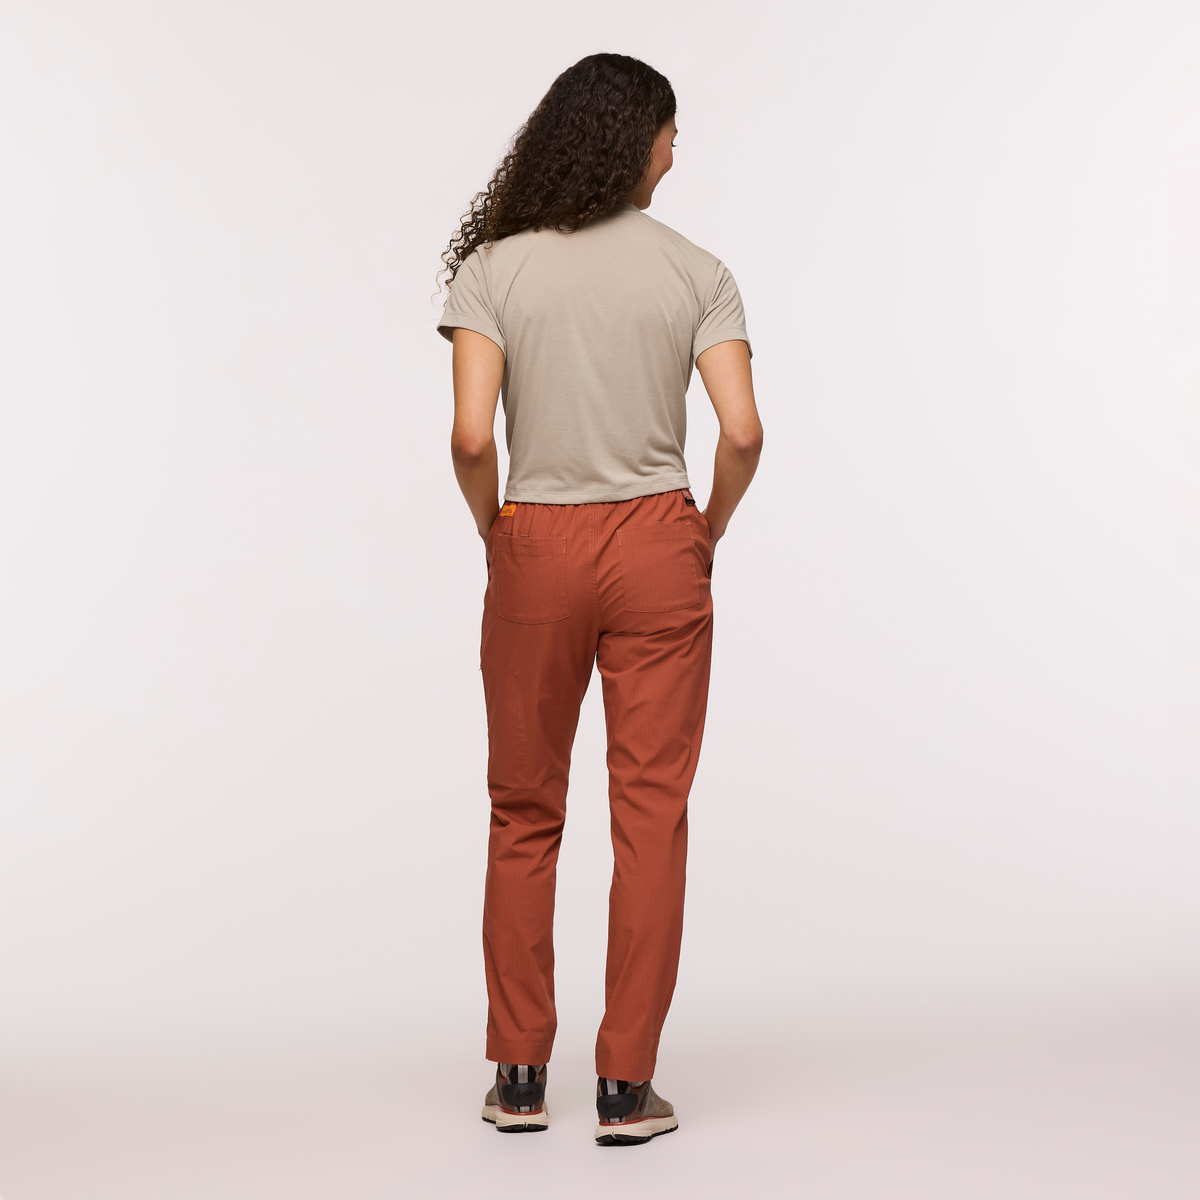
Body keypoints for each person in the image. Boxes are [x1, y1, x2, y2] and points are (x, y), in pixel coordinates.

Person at [437, 52, 762, 1146]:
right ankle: (626, 1087)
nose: (676, 154)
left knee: (523, 808)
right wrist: (707, 528)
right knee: (651, 814)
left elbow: (471, 436)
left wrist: (498, 530)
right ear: (633, 142)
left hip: (537, 539)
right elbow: (743, 431)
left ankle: (519, 1074)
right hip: (659, 542)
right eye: (670, 135)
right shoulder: (698, 271)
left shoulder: (494, 269)